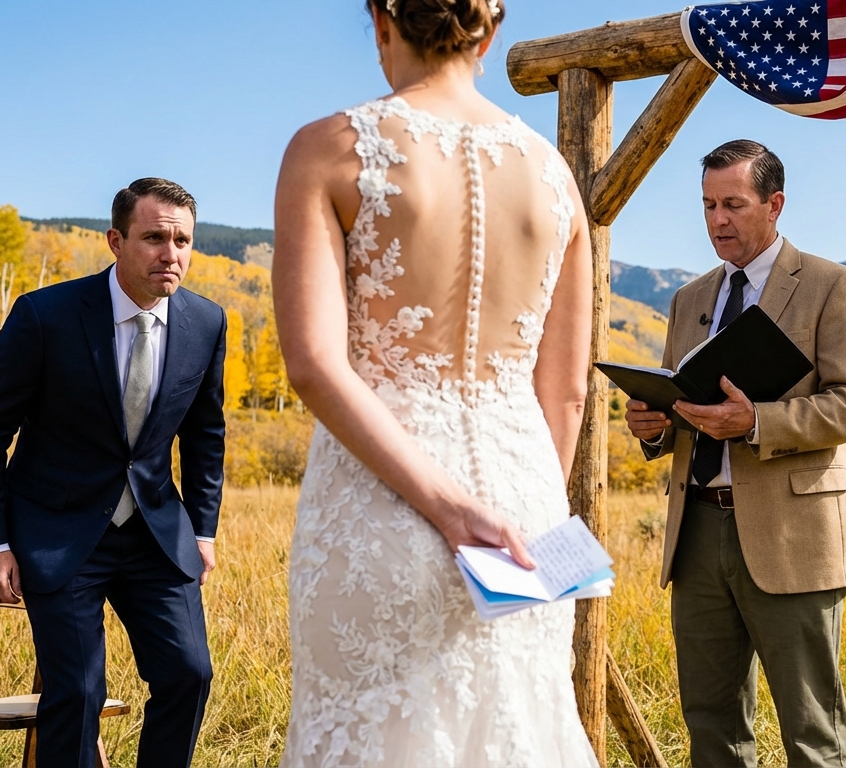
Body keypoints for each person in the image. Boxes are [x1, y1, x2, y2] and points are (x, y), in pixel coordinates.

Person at [271, 0, 597, 765]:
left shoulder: (328, 148)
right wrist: (526, 523)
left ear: (384, 19)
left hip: (378, 505)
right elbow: (569, 393)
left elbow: (314, 364)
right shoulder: (555, 177)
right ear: (493, 28)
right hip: (526, 525)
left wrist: (449, 510)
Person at [623, 140, 846, 768]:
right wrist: (652, 424)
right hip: (697, 533)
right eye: (708, 205)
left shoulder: (832, 286)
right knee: (709, 724)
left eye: (733, 204)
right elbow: (684, 403)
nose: (718, 220)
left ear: (775, 204)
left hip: (793, 537)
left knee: (811, 732)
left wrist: (757, 420)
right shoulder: (688, 299)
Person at [0, 178, 226, 768]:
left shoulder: (206, 323)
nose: (171, 253)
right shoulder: (45, 316)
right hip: (58, 535)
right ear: (115, 240)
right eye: (154, 236)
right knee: (78, 694)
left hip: (157, 535)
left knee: (189, 674)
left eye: (182, 240)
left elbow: (205, 435)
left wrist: (202, 530)